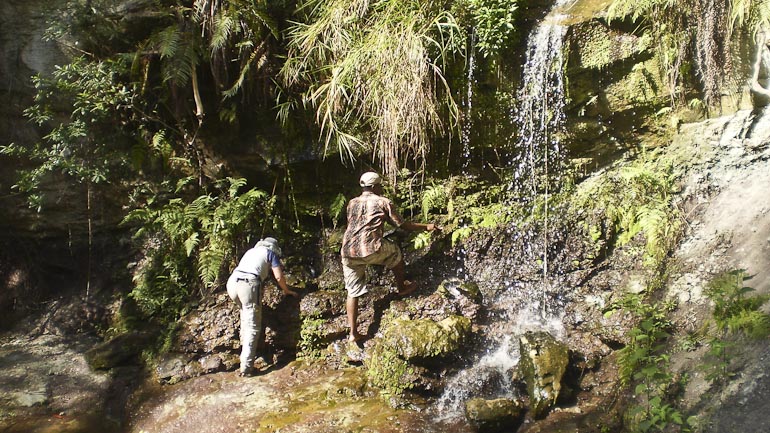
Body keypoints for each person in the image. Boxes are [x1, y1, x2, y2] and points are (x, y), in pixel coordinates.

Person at [341, 171, 439, 343]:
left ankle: (353, 333)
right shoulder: (383, 202)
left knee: (352, 291)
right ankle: (402, 287)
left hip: (348, 252)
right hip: (371, 249)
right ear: (375, 186)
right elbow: (403, 225)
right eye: (380, 185)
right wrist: (427, 226)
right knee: (395, 253)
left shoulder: (352, 203)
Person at [226, 237, 298, 377]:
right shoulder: (270, 253)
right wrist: (287, 290)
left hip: (232, 284)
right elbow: (278, 277)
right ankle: (246, 368)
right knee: (253, 326)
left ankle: (245, 354)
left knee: (245, 318)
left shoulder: (251, 251)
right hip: (248, 284)